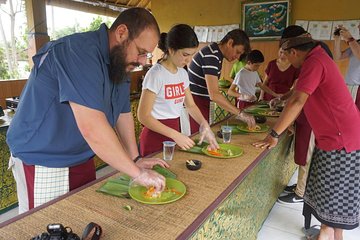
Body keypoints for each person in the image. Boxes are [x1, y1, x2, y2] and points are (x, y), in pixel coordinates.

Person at [6, 8, 168, 214]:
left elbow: (122, 112)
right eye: (142, 52)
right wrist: (138, 173)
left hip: (81, 156)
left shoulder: (120, 62)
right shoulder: (78, 52)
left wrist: (135, 158)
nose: (144, 61)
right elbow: (92, 127)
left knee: (82, 221)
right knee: (47, 229)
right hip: (43, 158)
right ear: (121, 33)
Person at [253, 25, 360, 240]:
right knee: (333, 210)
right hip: (341, 138)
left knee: (330, 212)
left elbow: (299, 100)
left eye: (286, 55)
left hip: (340, 142)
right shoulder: (317, 56)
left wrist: (273, 135)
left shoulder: (314, 61)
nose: (287, 61)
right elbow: (298, 92)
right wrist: (283, 98)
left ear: (294, 51)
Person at [137, 24, 219, 156]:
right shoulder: (156, 74)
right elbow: (143, 116)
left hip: (174, 134)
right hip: (155, 136)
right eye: (185, 54)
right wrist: (175, 135)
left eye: (192, 55)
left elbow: (191, 105)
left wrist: (204, 124)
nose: (188, 60)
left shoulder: (182, 74)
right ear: (171, 49)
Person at [187, 29, 255, 134]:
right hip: (194, 103)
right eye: (237, 52)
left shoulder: (215, 53)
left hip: (201, 101)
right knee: (199, 137)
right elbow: (214, 94)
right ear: (230, 43)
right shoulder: (212, 55)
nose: (237, 57)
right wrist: (240, 113)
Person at [333, 23, 360, 110]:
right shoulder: (357, 43)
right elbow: (338, 57)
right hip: (351, 86)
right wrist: (337, 40)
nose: (358, 27)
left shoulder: (354, 43)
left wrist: (350, 38)